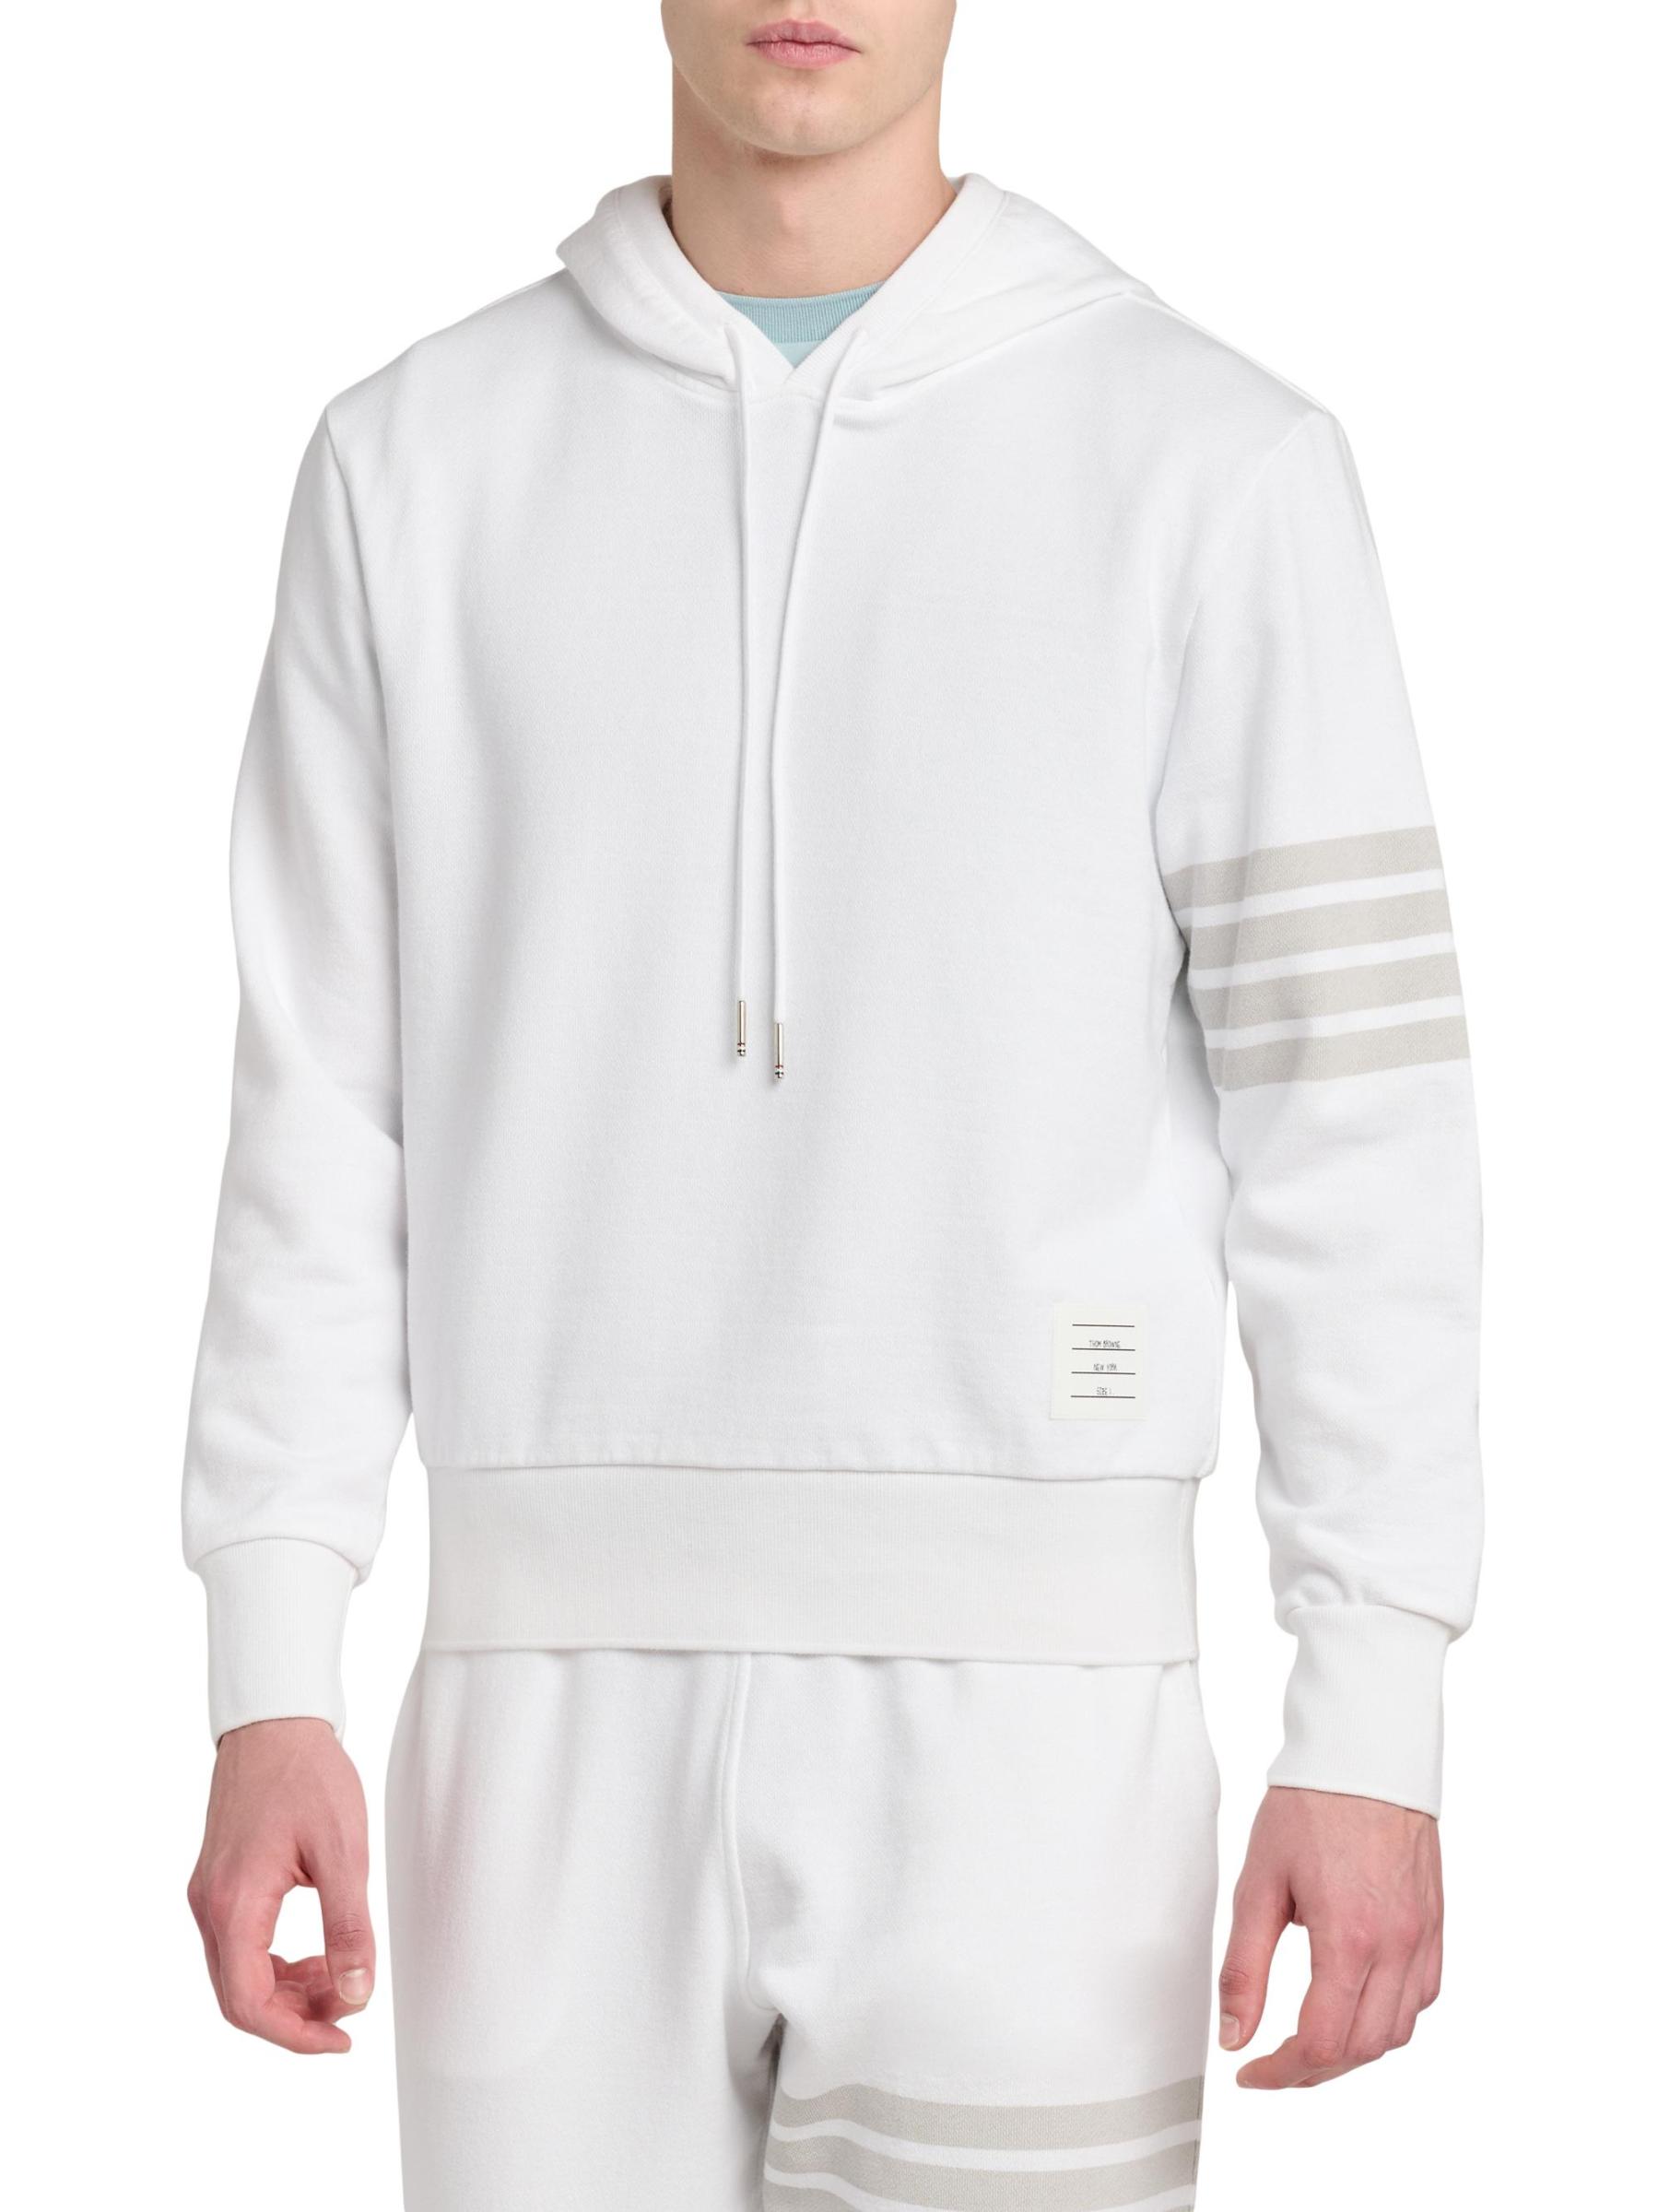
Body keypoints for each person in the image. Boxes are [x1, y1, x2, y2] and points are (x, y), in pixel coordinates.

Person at [183, 5, 1483, 2206]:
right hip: (535, 1719)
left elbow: (1357, 1133)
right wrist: (269, 1664)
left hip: (1037, 1738)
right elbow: (319, 1107)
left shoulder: (1212, 466)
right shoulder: (412, 465)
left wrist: (1373, 1708)